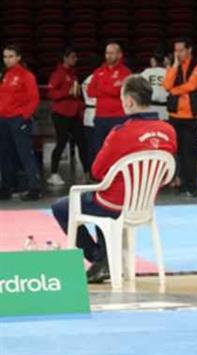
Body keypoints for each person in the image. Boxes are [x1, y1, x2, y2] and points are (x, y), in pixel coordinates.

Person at [50, 75, 176, 283]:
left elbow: (97, 171)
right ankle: (106, 259)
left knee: (62, 207)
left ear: (128, 101)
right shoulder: (169, 131)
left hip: (113, 204)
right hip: (143, 205)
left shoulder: (121, 132)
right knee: (99, 198)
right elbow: (165, 173)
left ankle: (99, 259)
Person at [162, 37, 197, 197]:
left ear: (189, 50)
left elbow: (192, 85)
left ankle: (192, 186)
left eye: (181, 50)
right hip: (175, 115)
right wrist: (174, 65)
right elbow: (166, 85)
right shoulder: (173, 66)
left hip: (191, 116)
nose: (178, 53)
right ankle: (182, 183)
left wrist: (174, 91)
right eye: (176, 50)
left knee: (190, 152)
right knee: (179, 152)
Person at [0, 44, 41, 200]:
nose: (7, 60)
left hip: (18, 119)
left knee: (25, 153)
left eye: (11, 56)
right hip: (3, 120)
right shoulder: (4, 75)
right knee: (5, 154)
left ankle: (34, 187)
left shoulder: (26, 76)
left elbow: (34, 98)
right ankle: (7, 186)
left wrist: (24, 116)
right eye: (5, 56)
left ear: (18, 57)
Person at [86, 41, 132, 163]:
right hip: (100, 117)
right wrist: (112, 87)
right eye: (107, 53)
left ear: (119, 54)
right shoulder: (98, 71)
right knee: (99, 149)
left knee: (119, 149)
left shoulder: (126, 72)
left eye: (112, 53)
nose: (108, 56)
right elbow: (90, 91)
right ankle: (102, 177)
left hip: (119, 117)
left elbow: (120, 92)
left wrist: (101, 88)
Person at [47, 47, 85, 186]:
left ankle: (87, 172)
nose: (75, 59)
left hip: (74, 113)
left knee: (82, 142)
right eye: (72, 57)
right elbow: (51, 94)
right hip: (61, 114)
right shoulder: (58, 74)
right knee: (62, 141)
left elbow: (75, 95)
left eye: (76, 57)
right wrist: (66, 92)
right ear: (65, 58)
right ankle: (53, 173)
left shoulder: (74, 74)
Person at [142, 51, 169, 120]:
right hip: (165, 108)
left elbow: (136, 85)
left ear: (153, 61)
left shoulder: (147, 72)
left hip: (150, 108)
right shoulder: (169, 72)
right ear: (165, 61)